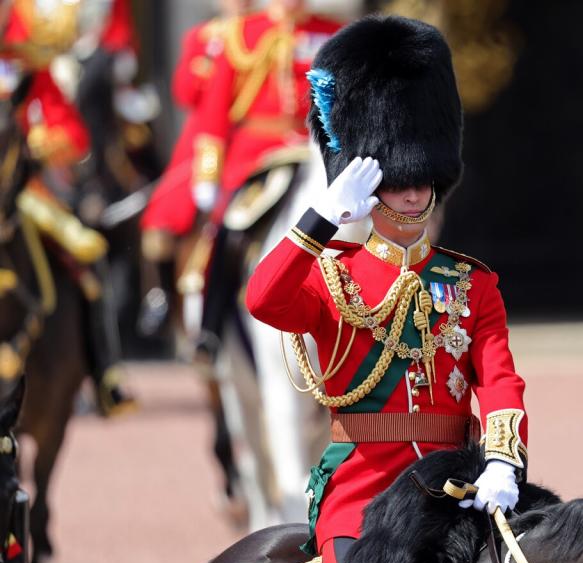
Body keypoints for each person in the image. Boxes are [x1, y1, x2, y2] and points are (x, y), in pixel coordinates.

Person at [245, 15, 528, 563]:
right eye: (396, 181)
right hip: (365, 494)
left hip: (459, 481)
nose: (410, 194)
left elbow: (501, 381)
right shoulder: (332, 276)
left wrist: (505, 461)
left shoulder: (472, 284)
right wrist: (319, 220)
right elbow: (263, 299)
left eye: (419, 179)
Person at [2, 0, 135, 416]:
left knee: (87, 256)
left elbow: (70, 130)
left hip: (25, 191)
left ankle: (105, 374)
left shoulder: (27, 65)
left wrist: (36, 145)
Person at [189, 0, 340, 359]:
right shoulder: (241, 33)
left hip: (319, 149)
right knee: (232, 230)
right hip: (257, 158)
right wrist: (208, 173)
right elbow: (213, 113)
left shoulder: (331, 32)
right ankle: (211, 331)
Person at [137, 0, 253, 337]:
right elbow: (184, 92)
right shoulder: (203, 36)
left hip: (246, 136)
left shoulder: (265, 33)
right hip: (201, 140)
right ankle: (159, 297)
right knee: (159, 222)